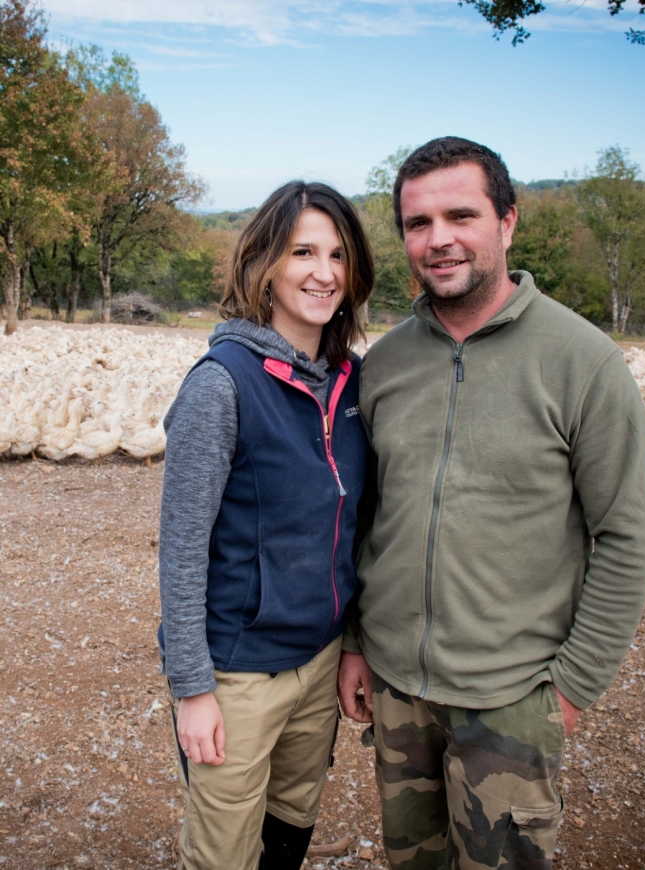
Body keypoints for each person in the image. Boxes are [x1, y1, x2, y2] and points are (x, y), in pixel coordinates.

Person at [338, 137, 645, 869]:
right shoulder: (384, 365)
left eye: (461, 215)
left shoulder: (584, 363)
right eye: (418, 223)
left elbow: (627, 538)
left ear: (507, 221)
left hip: (512, 697)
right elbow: (367, 519)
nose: (439, 239)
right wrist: (357, 641)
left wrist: (571, 687)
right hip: (396, 689)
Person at [158, 180, 374, 870]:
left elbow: (358, 528)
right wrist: (193, 690)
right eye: (302, 251)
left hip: (319, 659)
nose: (323, 272)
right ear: (265, 265)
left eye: (338, 255)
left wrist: (352, 645)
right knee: (223, 854)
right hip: (238, 671)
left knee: (292, 820)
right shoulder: (221, 384)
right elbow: (182, 552)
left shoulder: (352, 383)